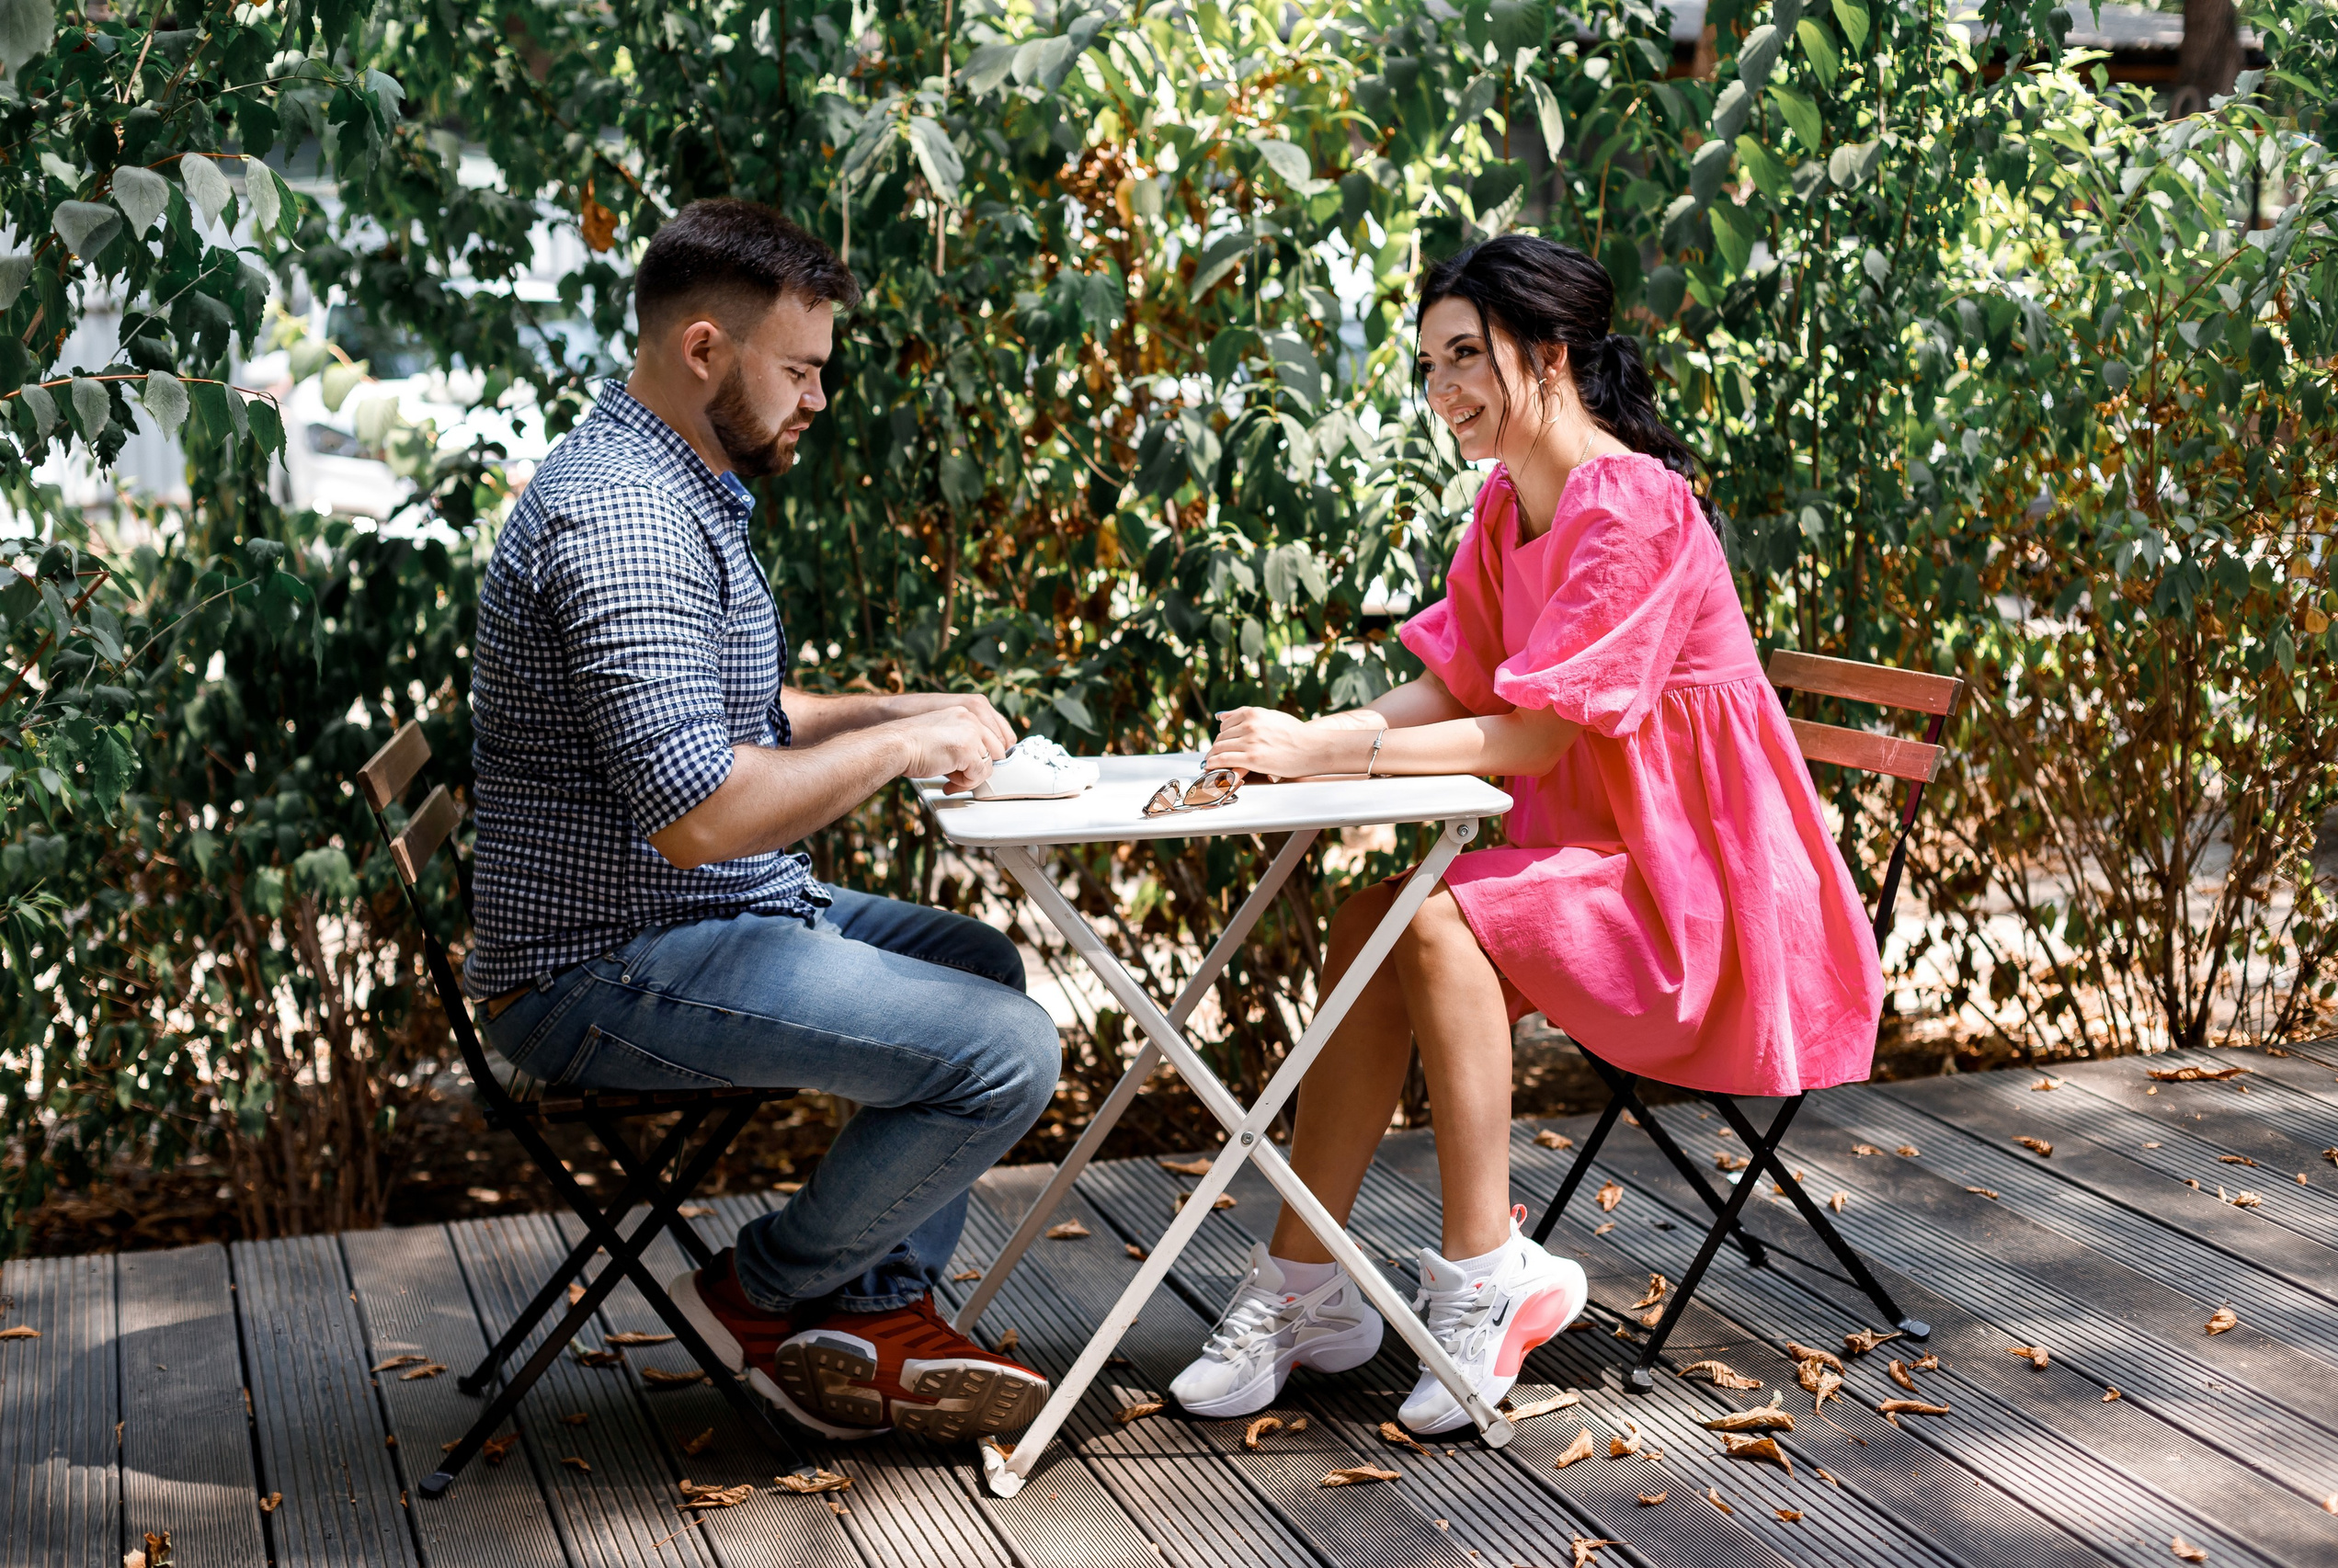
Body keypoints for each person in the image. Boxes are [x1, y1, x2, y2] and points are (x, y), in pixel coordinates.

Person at [1180, 233, 1884, 1434]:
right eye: (1429, 365)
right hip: (1585, 866)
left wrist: (1327, 753)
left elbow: (1534, 738)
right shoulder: (1508, 503)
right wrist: (1315, 733)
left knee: (1437, 920)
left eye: (1467, 355)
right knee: (1369, 920)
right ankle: (1305, 1286)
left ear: (1550, 355)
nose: (1443, 388)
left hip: (1690, 897)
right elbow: (1457, 683)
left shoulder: (1634, 505)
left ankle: (1486, 1271)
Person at [466, 199, 1061, 1445]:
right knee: (1006, 1050)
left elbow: (738, 713)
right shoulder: (623, 518)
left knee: (978, 966)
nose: (818, 399)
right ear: (704, 349)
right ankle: (760, 1295)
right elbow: (697, 813)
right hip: (601, 965)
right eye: (799, 370)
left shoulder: (673, 484)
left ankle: (872, 1314)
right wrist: (900, 749)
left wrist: (901, 708)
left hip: (684, 920)